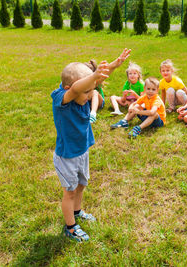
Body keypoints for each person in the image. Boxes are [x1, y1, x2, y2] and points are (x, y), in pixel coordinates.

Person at [51, 48, 131, 242]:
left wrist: (113, 65)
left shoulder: (83, 94)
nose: (89, 96)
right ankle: (70, 228)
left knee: (80, 186)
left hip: (82, 151)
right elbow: (78, 89)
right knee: (69, 192)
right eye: (87, 91)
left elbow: (89, 85)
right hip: (67, 156)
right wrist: (93, 77)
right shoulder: (62, 98)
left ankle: (77, 213)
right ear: (70, 88)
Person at [86, 49, 131, 123]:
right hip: (87, 101)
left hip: (98, 101)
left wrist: (116, 62)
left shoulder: (96, 81)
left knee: (94, 92)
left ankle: (93, 114)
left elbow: (108, 70)